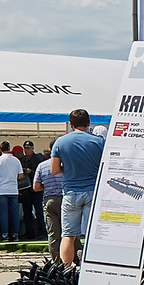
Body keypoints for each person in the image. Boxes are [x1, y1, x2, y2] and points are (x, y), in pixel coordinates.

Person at [52, 108, 105, 266]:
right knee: (92, 234)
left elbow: (54, 170)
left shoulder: (60, 142)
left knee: (68, 235)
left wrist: (68, 169)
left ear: (70, 124)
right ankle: (91, 265)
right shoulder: (99, 142)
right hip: (93, 191)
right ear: (89, 123)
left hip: (71, 192)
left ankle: (66, 268)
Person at [35, 143, 66, 260]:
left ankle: (56, 260)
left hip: (50, 199)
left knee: (53, 233)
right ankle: (74, 258)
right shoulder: (66, 165)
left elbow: (36, 187)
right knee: (69, 232)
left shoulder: (42, 166)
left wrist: (47, 187)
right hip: (65, 199)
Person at [0, 139, 23, 241]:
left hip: (1, 190)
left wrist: (1, 180)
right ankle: (15, 234)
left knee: (3, 214)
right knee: (14, 213)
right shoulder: (16, 160)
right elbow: (21, 175)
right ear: (9, 148)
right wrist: (12, 178)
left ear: (0, 149)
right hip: (13, 190)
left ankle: (4, 235)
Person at [17, 140, 45, 240]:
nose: (27, 150)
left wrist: (31, 171)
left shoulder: (38, 158)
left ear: (32, 148)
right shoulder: (22, 159)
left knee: (39, 211)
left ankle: (42, 232)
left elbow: (41, 172)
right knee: (27, 212)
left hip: (36, 188)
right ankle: (30, 233)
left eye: (28, 148)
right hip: (25, 189)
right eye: (25, 148)